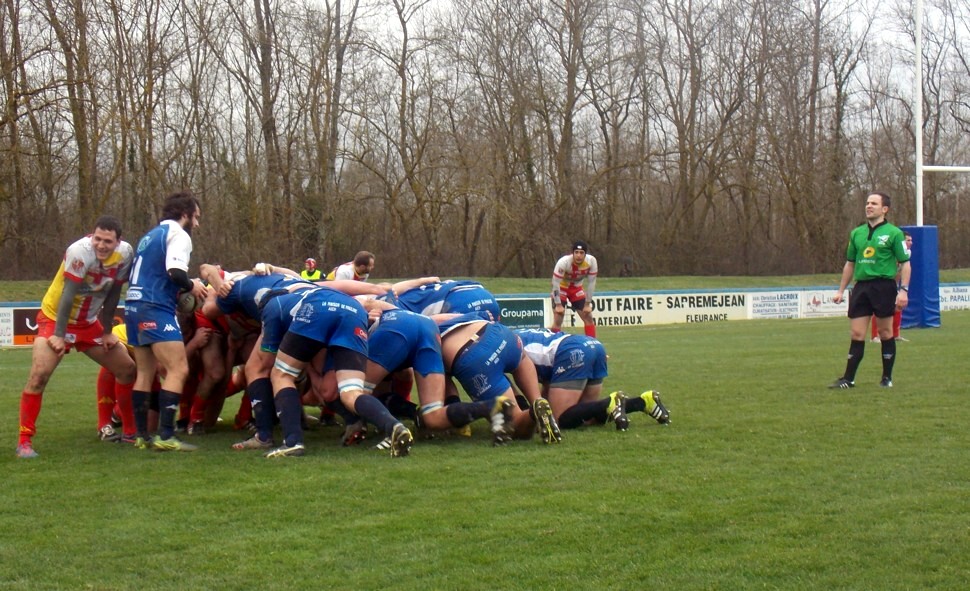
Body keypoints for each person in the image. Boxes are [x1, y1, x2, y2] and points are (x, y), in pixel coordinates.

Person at [16, 215, 136, 458]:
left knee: (127, 369)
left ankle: (130, 432)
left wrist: (107, 331)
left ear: (118, 241)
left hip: (88, 323)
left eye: (108, 241)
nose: (101, 245)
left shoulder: (125, 254)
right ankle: (24, 442)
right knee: (39, 375)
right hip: (54, 318)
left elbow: (114, 294)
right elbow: (68, 296)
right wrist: (59, 335)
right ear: (92, 235)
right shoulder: (79, 252)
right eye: (97, 239)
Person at [124, 191, 209, 451]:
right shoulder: (178, 235)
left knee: (145, 371)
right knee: (178, 368)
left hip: (133, 305)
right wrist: (192, 285)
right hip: (155, 307)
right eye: (195, 217)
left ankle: (141, 436)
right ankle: (166, 436)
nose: (196, 224)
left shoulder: (150, 236)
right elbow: (175, 272)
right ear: (184, 214)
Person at [434, 311, 561, 444]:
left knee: (513, 424)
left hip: (473, 356)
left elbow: (441, 381)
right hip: (500, 333)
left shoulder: (424, 337)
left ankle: (534, 412)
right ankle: (538, 400)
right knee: (521, 360)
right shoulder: (443, 317)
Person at [829, 192, 911, 389]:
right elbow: (850, 263)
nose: (869, 206)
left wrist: (903, 290)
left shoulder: (894, 233)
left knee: (885, 332)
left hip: (883, 286)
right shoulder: (856, 233)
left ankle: (886, 378)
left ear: (885, 209)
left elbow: (905, 263)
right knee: (857, 333)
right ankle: (848, 379)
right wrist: (841, 290)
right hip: (861, 287)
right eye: (867, 203)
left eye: (874, 203)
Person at [515, 328, 670, 429]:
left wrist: (525, 415)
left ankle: (610, 402)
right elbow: (548, 380)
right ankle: (643, 402)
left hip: (572, 351)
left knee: (558, 420)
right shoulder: (518, 335)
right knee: (586, 417)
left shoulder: (508, 345)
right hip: (591, 345)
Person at [871, 231, 913, 343]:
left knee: (898, 306)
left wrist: (895, 287)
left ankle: (895, 335)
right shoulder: (892, 252)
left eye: (911, 240)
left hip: (892, 283)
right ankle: (874, 336)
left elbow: (899, 272)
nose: (911, 243)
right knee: (879, 308)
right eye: (908, 240)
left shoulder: (907, 253)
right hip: (880, 282)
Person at [551, 240, 599, 337]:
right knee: (558, 317)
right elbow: (555, 283)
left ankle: (592, 343)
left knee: (588, 317)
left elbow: (591, 282)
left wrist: (587, 304)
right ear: (572, 253)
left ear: (585, 254)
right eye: (576, 252)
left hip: (576, 288)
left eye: (581, 253)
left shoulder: (591, 261)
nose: (578, 255)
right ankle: (552, 343)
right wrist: (558, 304)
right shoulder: (563, 262)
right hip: (561, 288)